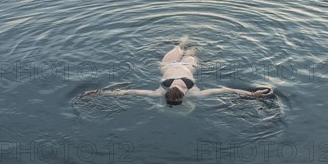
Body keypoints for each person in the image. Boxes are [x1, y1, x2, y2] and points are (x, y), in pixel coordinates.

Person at [83, 38, 274, 106]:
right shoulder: (190, 93)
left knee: (184, 48)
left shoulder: (184, 93)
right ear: (182, 93)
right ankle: (184, 42)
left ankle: (184, 41)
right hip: (172, 67)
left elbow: (127, 93)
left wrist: (101, 94)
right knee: (187, 50)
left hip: (175, 67)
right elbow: (224, 90)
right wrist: (251, 94)